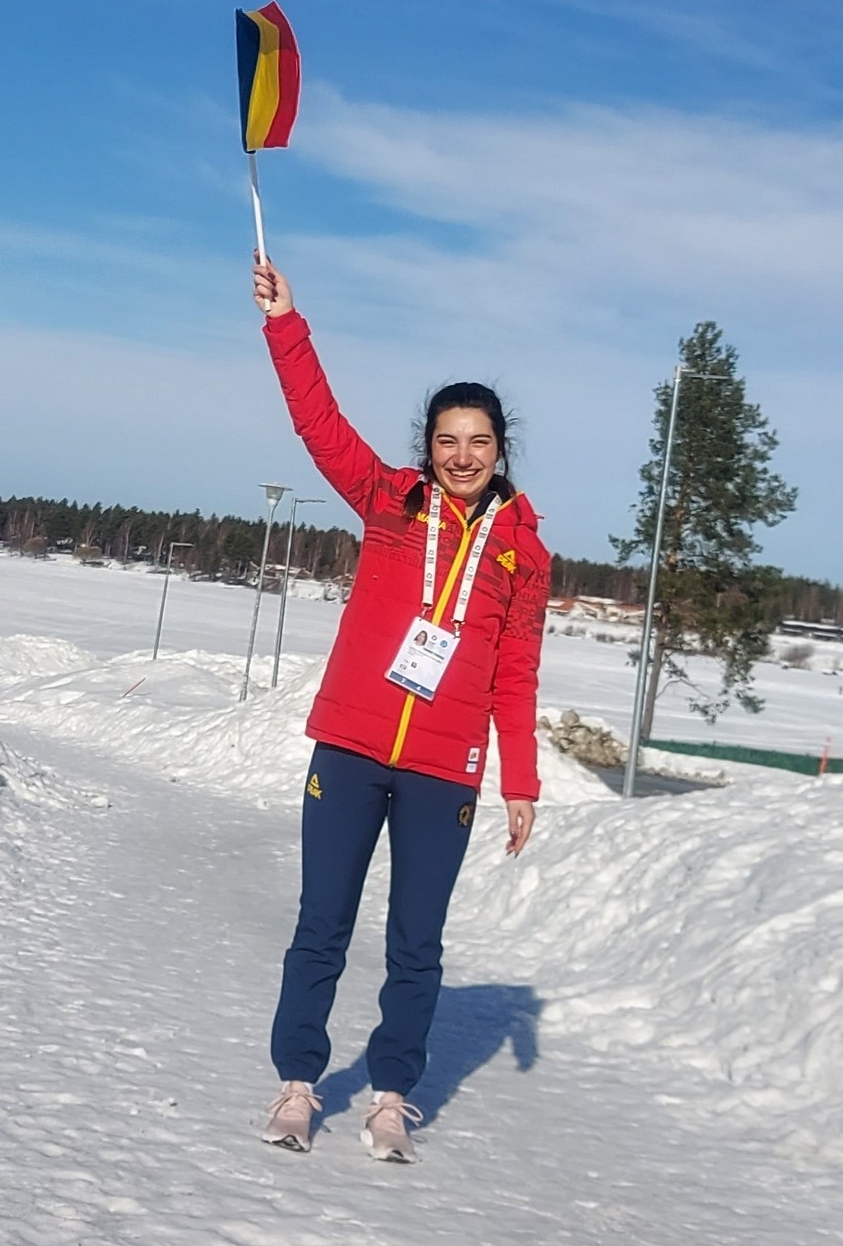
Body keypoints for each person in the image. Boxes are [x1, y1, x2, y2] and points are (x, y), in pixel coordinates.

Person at [251, 259, 550, 1163]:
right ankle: (298, 1082)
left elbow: (517, 673)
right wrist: (287, 324)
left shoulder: (525, 555)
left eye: (479, 441)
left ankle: (391, 1096)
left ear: (501, 449)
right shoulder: (390, 501)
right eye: (447, 440)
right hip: (350, 746)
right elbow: (319, 424)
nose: (463, 455)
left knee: (417, 941)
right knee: (322, 923)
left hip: (443, 769)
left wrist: (521, 779)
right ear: (428, 446)